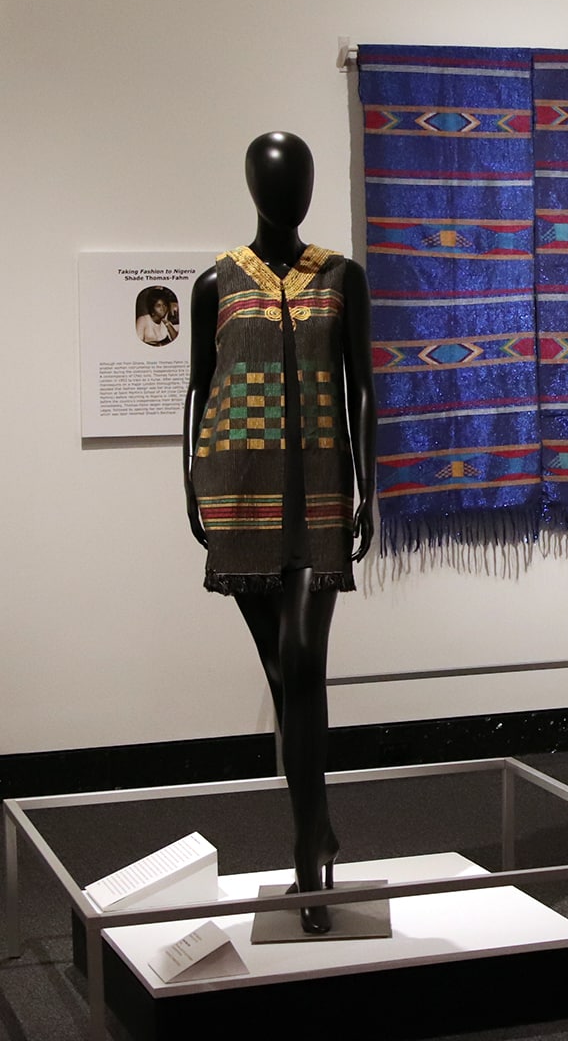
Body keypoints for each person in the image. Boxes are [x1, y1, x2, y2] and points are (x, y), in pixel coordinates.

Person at [183, 132, 376, 935]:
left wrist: (369, 485)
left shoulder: (341, 276)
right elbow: (197, 388)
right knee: (284, 673)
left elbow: (362, 388)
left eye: (297, 179)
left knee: (299, 658)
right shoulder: (214, 281)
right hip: (237, 493)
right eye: (273, 180)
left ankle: (307, 843)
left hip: (323, 493)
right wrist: (185, 485)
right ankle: (317, 825)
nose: (286, 192)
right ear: (254, 188)